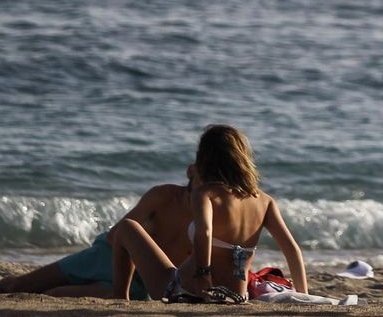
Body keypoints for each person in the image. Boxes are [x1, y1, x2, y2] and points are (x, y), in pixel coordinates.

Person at [111, 124, 308, 303]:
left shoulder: (206, 194)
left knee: (127, 227)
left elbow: (204, 232)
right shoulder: (265, 201)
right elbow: (292, 250)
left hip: (186, 290)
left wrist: (203, 275)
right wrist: (303, 295)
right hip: (237, 296)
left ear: (205, 158)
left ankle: (120, 299)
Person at [0, 169, 197, 299]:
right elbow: (115, 235)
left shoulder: (216, 221)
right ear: (191, 171)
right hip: (104, 257)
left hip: (137, 288)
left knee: (50, 295)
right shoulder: (164, 196)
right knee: (22, 285)